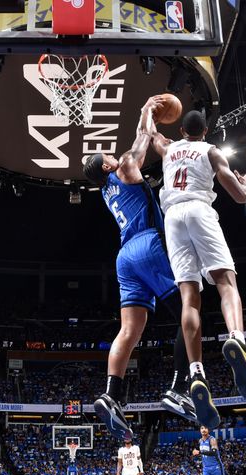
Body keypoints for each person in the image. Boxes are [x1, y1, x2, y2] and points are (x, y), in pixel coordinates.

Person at [84, 96, 196, 440]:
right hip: (148, 244)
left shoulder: (106, 192)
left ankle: (111, 394)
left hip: (124, 257)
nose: (112, 154)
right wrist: (146, 110)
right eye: (107, 156)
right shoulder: (125, 168)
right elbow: (141, 139)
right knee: (188, 312)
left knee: (129, 330)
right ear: (106, 167)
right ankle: (179, 387)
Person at [149, 110, 246, 427]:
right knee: (226, 283)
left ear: (182, 129)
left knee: (189, 297)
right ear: (206, 130)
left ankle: (195, 371)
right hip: (199, 209)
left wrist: (150, 111)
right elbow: (239, 197)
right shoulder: (211, 151)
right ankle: (237, 339)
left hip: (172, 218)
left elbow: (149, 132)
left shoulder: (168, 149)